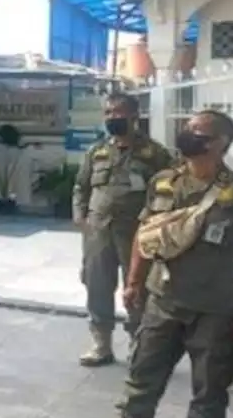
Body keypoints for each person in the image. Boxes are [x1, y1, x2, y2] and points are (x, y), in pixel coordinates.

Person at [90, 109, 233, 418]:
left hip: (215, 305)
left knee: (210, 381)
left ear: (220, 143)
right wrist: (134, 280)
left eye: (198, 132)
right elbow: (146, 230)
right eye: (188, 128)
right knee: (143, 369)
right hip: (163, 296)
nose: (188, 135)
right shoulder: (164, 182)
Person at [72, 93, 174, 366]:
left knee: (138, 288)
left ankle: (138, 343)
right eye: (108, 113)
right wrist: (80, 216)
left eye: (118, 113)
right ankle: (101, 343)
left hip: (136, 233)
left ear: (134, 116)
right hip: (98, 231)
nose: (112, 118)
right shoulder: (97, 151)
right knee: (97, 286)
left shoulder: (155, 154)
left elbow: (168, 192)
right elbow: (81, 187)